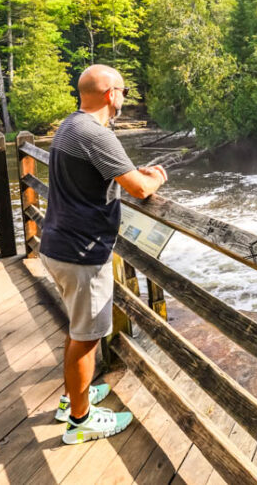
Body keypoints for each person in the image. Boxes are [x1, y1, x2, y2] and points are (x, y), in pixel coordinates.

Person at [38, 64, 168, 444]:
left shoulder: (71, 126)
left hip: (59, 243)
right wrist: (157, 175)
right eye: (124, 91)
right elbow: (141, 190)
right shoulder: (97, 134)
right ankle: (80, 421)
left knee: (80, 332)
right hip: (81, 252)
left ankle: (71, 399)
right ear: (111, 94)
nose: (125, 98)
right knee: (86, 337)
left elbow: (110, 174)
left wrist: (132, 173)